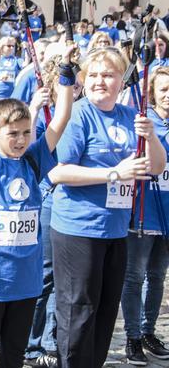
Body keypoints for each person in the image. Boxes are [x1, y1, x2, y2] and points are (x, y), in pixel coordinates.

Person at [47, 48, 167, 367]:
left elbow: (155, 166)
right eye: (95, 75)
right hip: (78, 228)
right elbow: (58, 171)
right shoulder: (77, 114)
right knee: (78, 312)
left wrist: (151, 136)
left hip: (116, 228)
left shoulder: (131, 117)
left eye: (109, 74)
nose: (101, 81)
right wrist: (114, 173)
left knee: (104, 311)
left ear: (121, 81)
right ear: (84, 80)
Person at [0, 39, 75, 368]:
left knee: (14, 355)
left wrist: (66, 69)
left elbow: (61, 118)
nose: (21, 139)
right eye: (13, 134)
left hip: (26, 282)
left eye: (26, 132)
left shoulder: (35, 160)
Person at [120, 66, 169, 364]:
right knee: (135, 276)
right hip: (142, 212)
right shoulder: (142, 122)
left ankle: (148, 331)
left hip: (167, 215)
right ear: (152, 93)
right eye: (163, 90)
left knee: (157, 276)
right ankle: (132, 336)